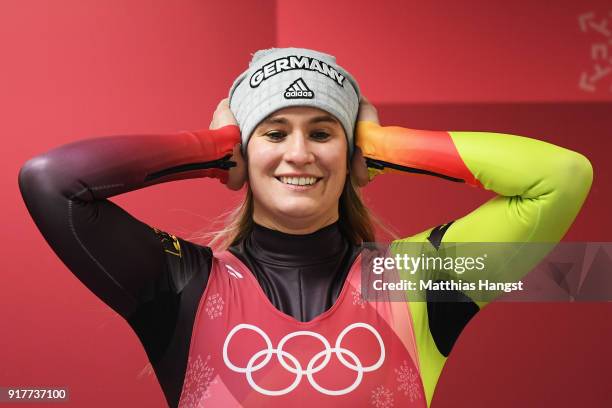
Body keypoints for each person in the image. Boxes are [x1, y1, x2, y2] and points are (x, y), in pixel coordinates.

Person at [18, 47, 593, 408]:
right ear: (243, 152)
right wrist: (217, 148)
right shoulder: (183, 285)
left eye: (323, 133)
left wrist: (385, 143)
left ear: (352, 154)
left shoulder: (418, 281)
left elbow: (560, 177)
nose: (300, 154)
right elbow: (52, 181)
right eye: (273, 133)